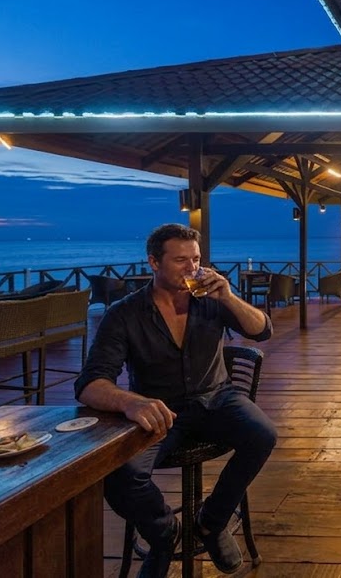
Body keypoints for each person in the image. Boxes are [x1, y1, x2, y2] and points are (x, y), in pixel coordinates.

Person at [75, 223, 276, 578]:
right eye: (180, 260)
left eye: (196, 259)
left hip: (217, 397)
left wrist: (228, 296)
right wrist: (129, 402)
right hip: (159, 409)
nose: (192, 269)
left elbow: (262, 330)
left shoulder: (211, 299)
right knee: (121, 475)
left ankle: (210, 523)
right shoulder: (125, 313)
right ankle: (164, 533)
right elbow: (91, 382)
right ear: (153, 262)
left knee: (263, 435)